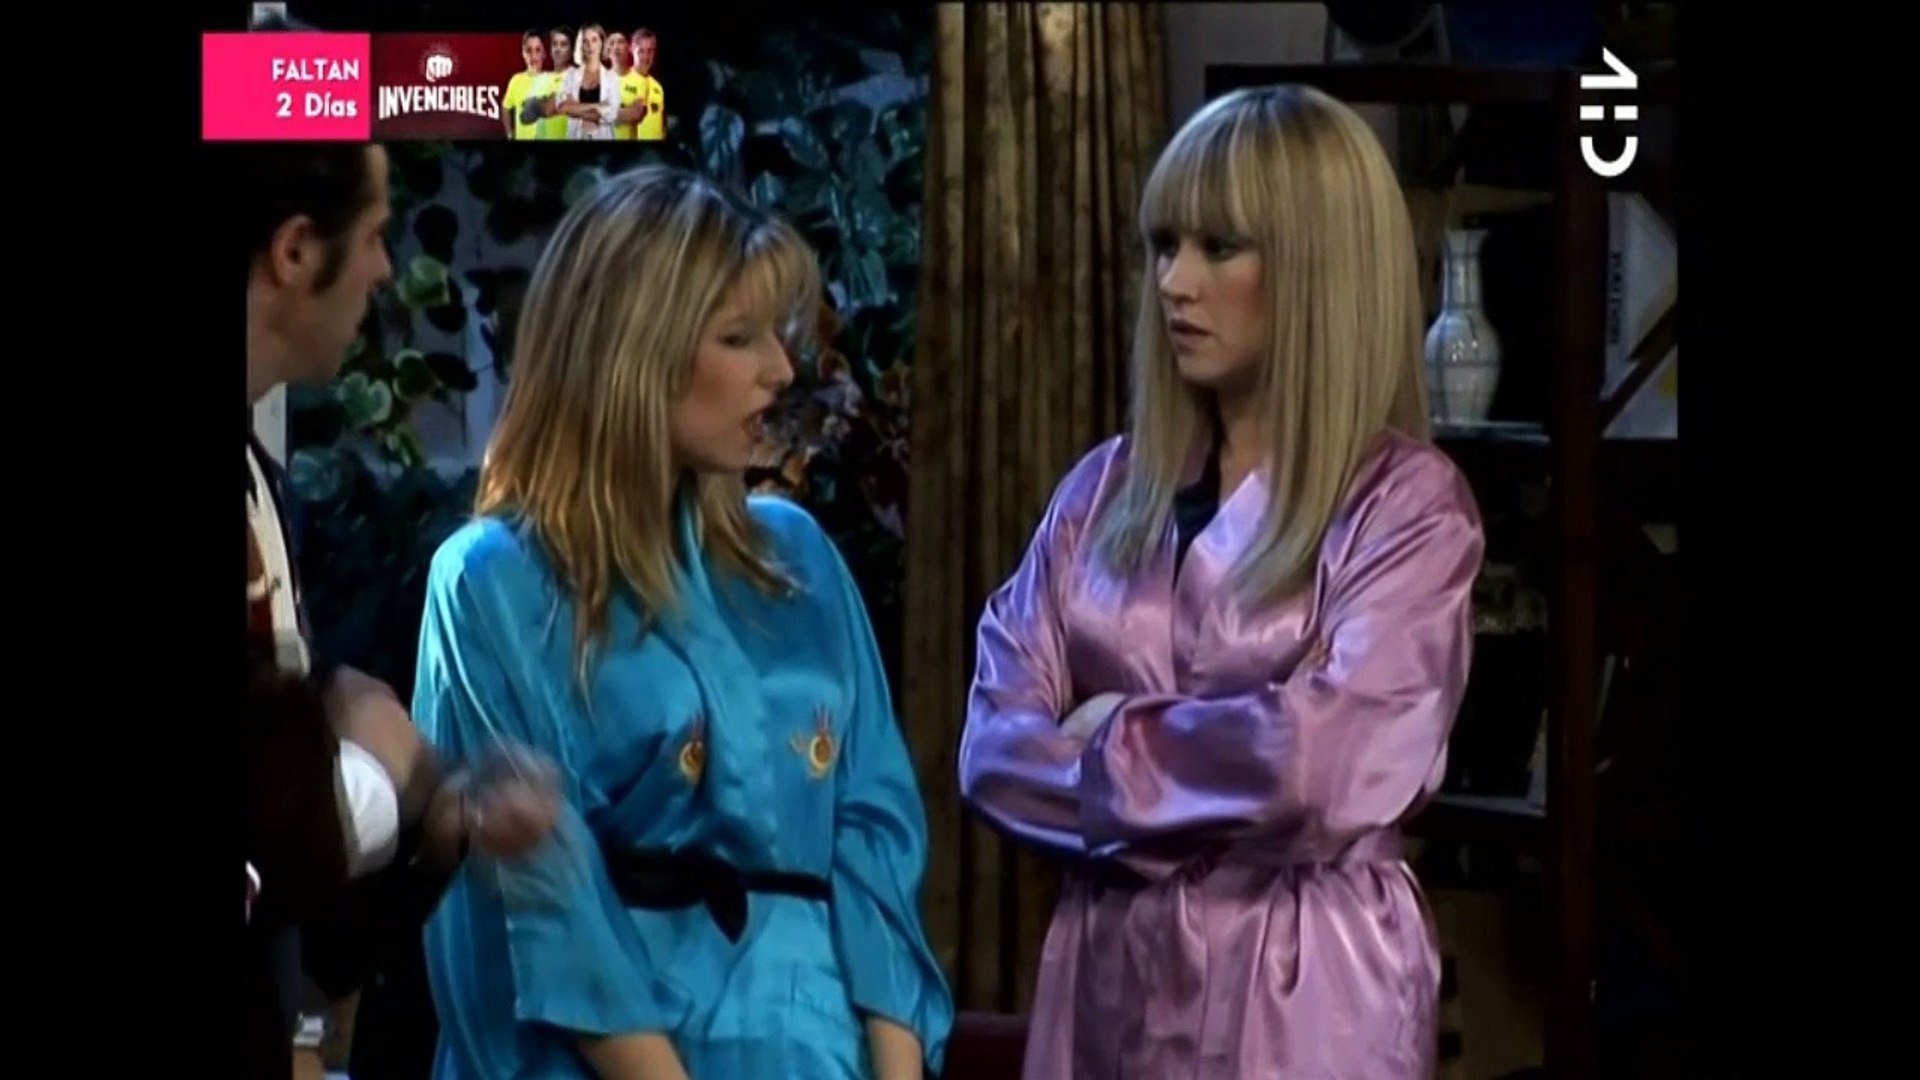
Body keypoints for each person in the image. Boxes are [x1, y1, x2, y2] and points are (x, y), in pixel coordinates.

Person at [957, 84, 1486, 1079]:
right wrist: (1228, 767)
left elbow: (1324, 765)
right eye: (1164, 245)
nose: (1175, 282)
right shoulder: (1102, 490)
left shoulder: (1407, 508)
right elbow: (992, 752)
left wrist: (1107, 735)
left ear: (1318, 269)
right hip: (1110, 980)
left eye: (1218, 247)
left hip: (1309, 995)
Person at [414, 164, 953, 1080]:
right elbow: (548, 908)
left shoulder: (800, 558)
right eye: (738, 338)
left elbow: (874, 831)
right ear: (633, 355)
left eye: (775, 335)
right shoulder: (493, 582)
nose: (780, 370)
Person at [242, 143, 561, 1080]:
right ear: (296, 250)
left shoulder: (260, 484)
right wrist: (370, 775)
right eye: (378, 234)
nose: (387, 268)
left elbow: (295, 916)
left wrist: (434, 829)